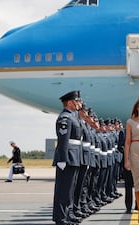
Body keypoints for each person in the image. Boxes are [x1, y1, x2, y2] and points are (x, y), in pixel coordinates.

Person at [52, 90, 83, 225]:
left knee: (70, 189)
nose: (78, 104)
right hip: (68, 158)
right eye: (76, 101)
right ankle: (61, 218)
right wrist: (62, 159)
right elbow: (63, 140)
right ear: (70, 102)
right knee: (64, 189)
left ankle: (67, 214)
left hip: (74, 156)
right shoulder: (65, 117)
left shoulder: (72, 116)